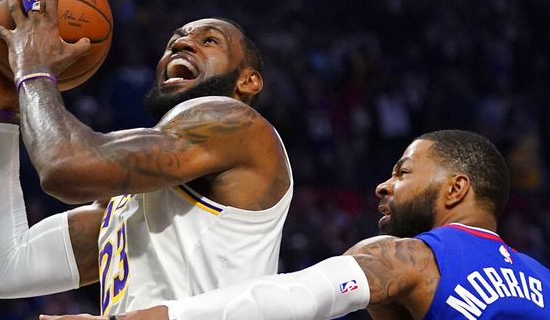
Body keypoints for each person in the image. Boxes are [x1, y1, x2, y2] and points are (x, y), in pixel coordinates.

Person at [0, 0, 293, 317]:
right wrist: (1, 118)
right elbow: (0, 268)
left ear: (249, 80)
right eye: (173, 43)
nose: (181, 45)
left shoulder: (236, 124)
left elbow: (63, 167)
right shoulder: (133, 204)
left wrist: (33, 68)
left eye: (210, 41)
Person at [39, 130, 550, 320]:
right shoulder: (543, 281)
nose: (383, 185)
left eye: (403, 171)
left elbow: (293, 298)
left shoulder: (414, 258)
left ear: (456, 189)